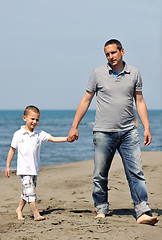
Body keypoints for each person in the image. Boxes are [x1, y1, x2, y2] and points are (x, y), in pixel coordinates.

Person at [67, 39, 158, 225]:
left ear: (122, 51)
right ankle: (101, 207)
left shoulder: (134, 73)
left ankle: (142, 211)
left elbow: (139, 101)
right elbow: (86, 100)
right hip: (103, 132)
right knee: (100, 173)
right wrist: (74, 125)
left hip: (128, 131)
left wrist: (146, 127)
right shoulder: (97, 73)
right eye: (107, 54)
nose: (111, 57)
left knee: (135, 172)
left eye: (113, 53)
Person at [5, 105, 67, 221]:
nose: (34, 122)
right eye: (32, 119)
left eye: (37, 119)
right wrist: (7, 166)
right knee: (30, 192)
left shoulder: (39, 133)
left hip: (34, 169)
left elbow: (53, 139)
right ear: (24, 118)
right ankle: (36, 214)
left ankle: (19, 209)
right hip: (24, 169)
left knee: (27, 192)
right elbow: (12, 150)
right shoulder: (18, 134)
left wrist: (67, 138)